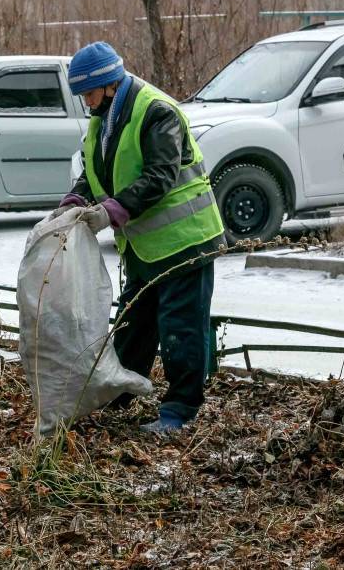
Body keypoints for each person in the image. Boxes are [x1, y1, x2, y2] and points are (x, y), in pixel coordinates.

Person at [52, 41, 226, 433]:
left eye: (89, 93)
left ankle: (179, 411)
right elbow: (101, 170)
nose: (86, 102)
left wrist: (110, 212)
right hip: (147, 247)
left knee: (180, 328)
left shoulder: (156, 112)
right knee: (133, 321)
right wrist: (77, 198)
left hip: (185, 241)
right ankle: (120, 393)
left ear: (110, 84)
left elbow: (160, 176)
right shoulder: (105, 117)